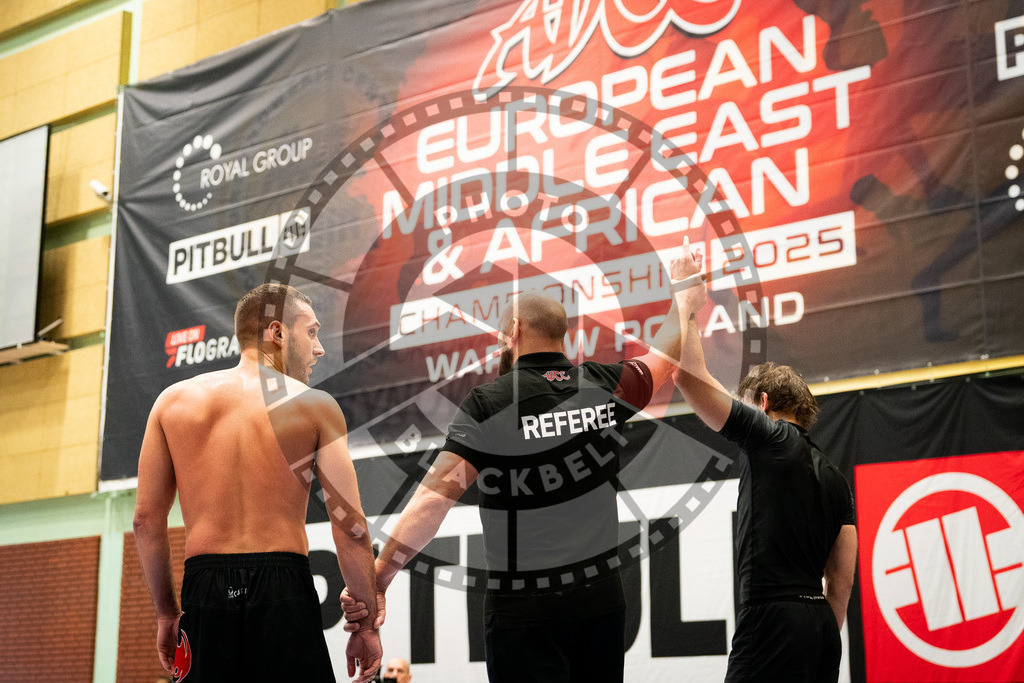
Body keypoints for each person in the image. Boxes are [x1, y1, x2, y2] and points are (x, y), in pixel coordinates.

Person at [343, 246, 707, 682]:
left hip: (525, 612)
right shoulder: (603, 386)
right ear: (564, 336)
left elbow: (431, 504)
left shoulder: (488, 404)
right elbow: (664, 359)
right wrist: (684, 298)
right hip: (601, 605)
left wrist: (379, 579)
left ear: (513, 330)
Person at [133, 283, 382, 683]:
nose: (319, 349)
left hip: (205, 589)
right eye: (312, 332)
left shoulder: (171, 402)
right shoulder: (315, 407)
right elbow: (351, 528)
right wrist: (367, 625)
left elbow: (146, 520)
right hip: (284, 588)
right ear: (278, 333)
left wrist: (167, 613)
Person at [671, 305, 858, 681]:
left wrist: (687, 302)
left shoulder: (769, 436)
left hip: (772, 620)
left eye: (745, 405)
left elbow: (688, 379)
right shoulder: (837, 479)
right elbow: (842, 583)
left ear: (762, 403)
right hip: (820, 629)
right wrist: (814, 636)